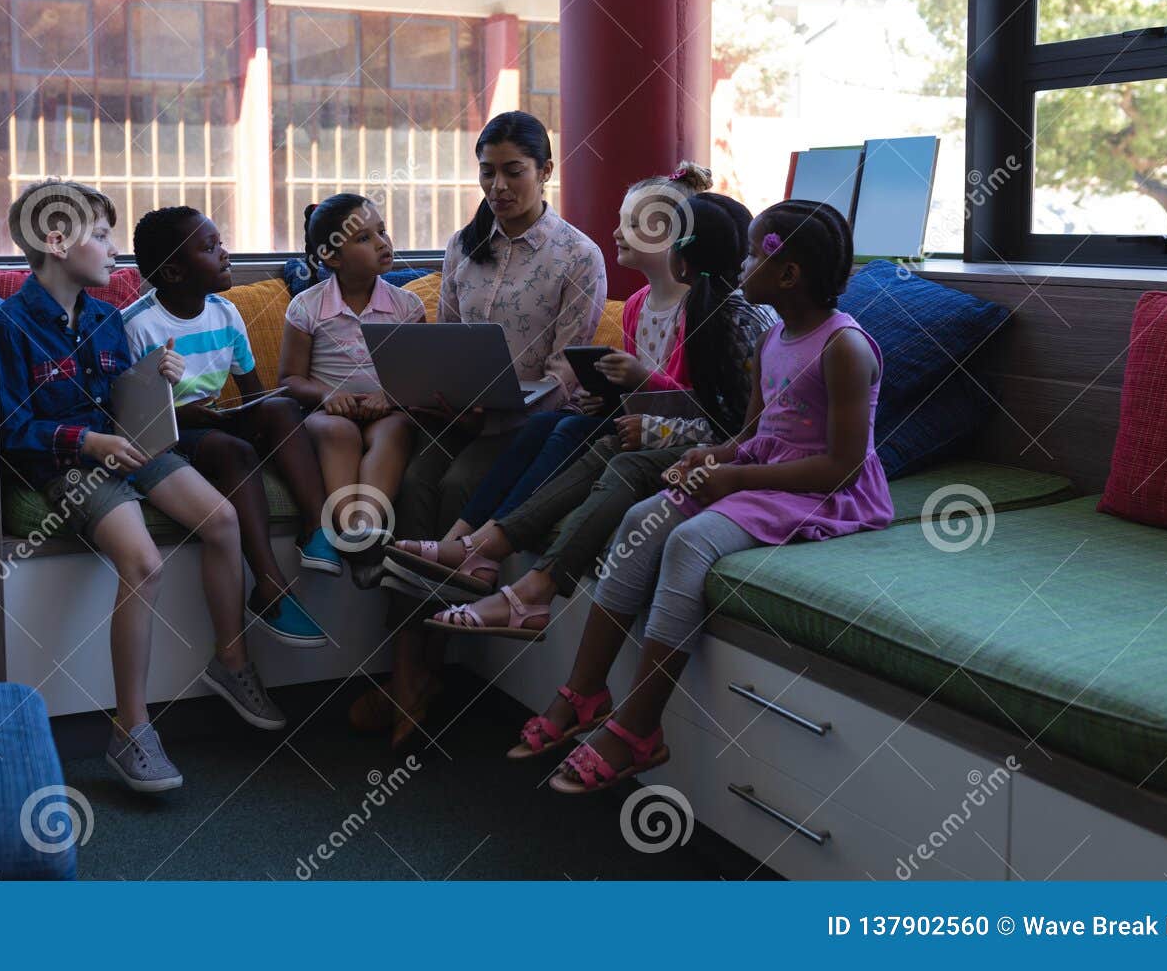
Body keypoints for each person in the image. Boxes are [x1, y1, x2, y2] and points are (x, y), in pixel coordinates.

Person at [540, 199, 894, 792]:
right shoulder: (771, 340)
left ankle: (638, 727)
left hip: (821, 490)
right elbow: (754, 435)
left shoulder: (845, 348)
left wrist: (736, 478)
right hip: (763, 474)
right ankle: (584, 690)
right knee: (641, 519)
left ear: (788, 274)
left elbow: (841, 466)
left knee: (689, 540)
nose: (745, 262)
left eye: (757, 253)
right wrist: (711, 456)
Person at [408, 189, 774, 647]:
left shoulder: (732, 319)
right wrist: (617, 396)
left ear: (679, 255)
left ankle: (498, 561)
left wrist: (646, 400)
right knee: (565, 430)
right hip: (662, 429)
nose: (747, 268)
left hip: (702, 441)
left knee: (609, 452)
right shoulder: (674, 305)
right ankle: (482, 549)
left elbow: (735, 423)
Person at [0, 180, 260, 795]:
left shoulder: (109, 318)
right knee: (142, 561)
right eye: (103, 234)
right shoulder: (11, 325)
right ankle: (132, 729)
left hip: (131, 447)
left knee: (222, 521)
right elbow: (13, 428)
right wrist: (88, 445)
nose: (115, 249)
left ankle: (232, 661)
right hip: (73, 465)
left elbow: (121, 397)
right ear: (57, 241)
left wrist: (156, 378)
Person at [355, 111, 607, 747]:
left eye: (513, 172)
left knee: (458, 485)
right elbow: (446, 339)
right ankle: (410, 670)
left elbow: (568, 376)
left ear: (546, 172)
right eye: (487, 173)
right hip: (457, 412)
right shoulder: (463, 246)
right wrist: (440, 389)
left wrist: (499, 408)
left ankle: (420, 677)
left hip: (527, 422)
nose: (498, 186)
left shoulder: (578, 255)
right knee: (411, 486)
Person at [125, 205, 336, 649]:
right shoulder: (139, 326)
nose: (225, 253)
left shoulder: (227, 314)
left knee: (280, 408)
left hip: (216, 421)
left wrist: (254, 412)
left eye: (220, 243)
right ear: (175, 271)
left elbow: (254, 393)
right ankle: (269, 585)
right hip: (175, 437)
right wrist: (189, 415)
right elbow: (133, 419)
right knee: (232, 450)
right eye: (210, 247)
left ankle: (317, 530)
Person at [279, 193, 424, 576]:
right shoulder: (307, 307)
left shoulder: (407, 307)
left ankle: (364, 529)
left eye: (383, 231)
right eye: (364, 238)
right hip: (329, 413)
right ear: (332, 257)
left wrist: (389, 396)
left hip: (386, 411)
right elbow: (289, 379)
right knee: (338, 433)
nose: (382, 243)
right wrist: (327, 395)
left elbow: (420, 378)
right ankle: (355, 539)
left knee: (396, 431)